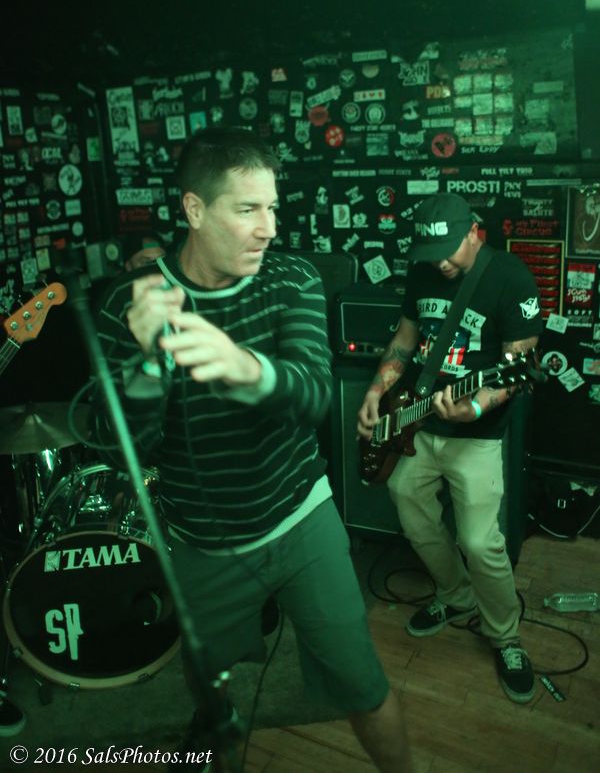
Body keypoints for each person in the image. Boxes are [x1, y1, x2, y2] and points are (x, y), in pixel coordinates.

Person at [91, 128, 413, 772]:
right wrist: (148, 365)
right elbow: (124, 444)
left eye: (272, 207)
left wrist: (244, 367)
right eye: (247, 209)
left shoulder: (290, 277)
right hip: (201, 545)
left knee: (362, 683)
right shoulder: (129, 304)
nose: (269, 228)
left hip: (300, 520)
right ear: (194, 209)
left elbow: (314, 395)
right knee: (209, 692)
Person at [357, 193, 543, 704]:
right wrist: (375, 391)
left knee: (480, 542)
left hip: (475, 434)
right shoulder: (422, 273)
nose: (439, 262)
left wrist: (475, 407)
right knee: (411, 511)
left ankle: (505, 636)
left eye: (447, 251)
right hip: (418, 421)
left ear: (473, 233)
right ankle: (455, 595)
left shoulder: (510, 278)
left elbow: (517, 367)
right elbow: (405, 340)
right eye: (430, 252)